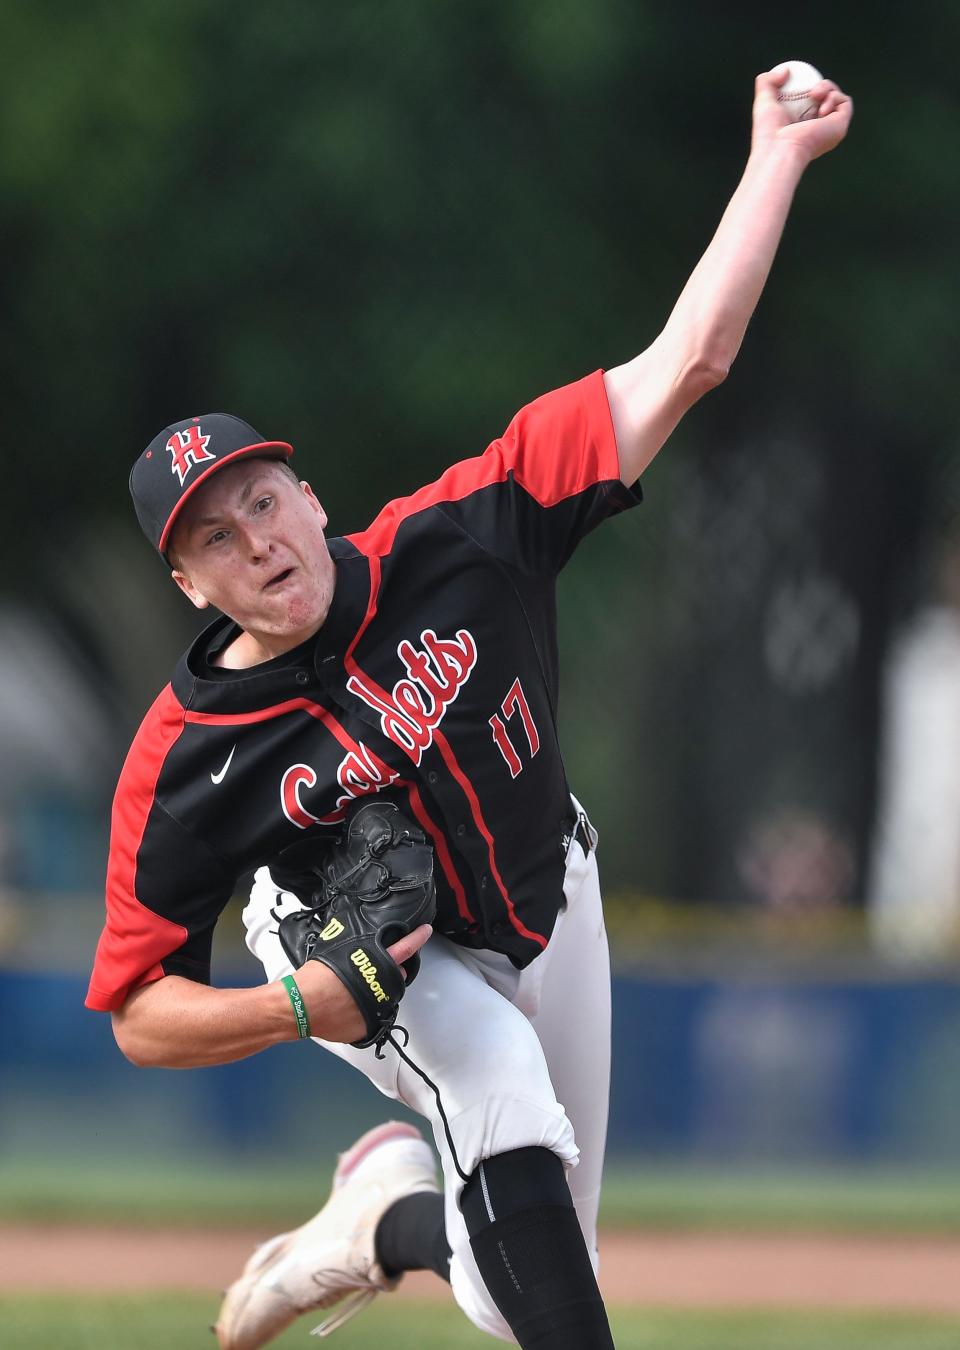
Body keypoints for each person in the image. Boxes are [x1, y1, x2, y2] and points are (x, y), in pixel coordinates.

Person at [86, 69, 852, 1349]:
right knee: (495, 1095)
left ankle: (383, 1213)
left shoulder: (467, 536)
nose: (257, 544)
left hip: (551, 894)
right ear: (187, 582)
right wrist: (297, 1010)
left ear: (305, 488)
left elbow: (692, 360)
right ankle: (414, 1179)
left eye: (261, 500)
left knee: (525, 1282)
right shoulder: (186, 756)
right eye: (214, 540)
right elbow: (140, 1017)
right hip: (354, 950)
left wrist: (777, 154)